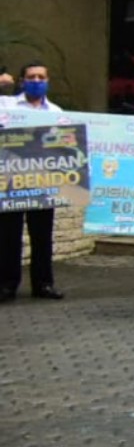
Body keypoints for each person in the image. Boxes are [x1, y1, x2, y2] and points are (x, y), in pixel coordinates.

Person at [1, 61, 67, 303]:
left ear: (48, 81)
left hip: (43, 181)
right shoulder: (5, 105)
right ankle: (7, 285)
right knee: (9, 235)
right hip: (10, 181)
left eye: (41, 77)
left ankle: (44, 284)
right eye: (31, 77)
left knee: (42, 235)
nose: (37, 81)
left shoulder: (57, 113)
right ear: (21, 81)